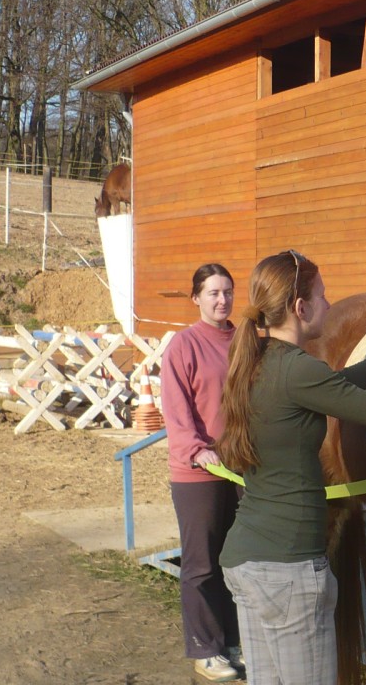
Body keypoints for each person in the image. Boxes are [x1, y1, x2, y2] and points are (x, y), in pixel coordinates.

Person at [217, 250, 366, 685]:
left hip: (248, 562)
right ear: (300, 307)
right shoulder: (298, 369)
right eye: (323, 296)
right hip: (288, 570)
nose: (329, 306)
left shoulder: (261, 360)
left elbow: (340, 386)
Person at [159, 263, 243, 682]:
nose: (221, 299)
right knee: (202, 564)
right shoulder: (183, 345)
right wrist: (196, 450)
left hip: (240, 470)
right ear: (196, 298)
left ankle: (231, 641)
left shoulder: (244, 341)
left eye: (227, 291)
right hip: (199, 472)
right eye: (212, 292)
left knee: (235, 560)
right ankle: (205, 648)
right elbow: (176, 409)